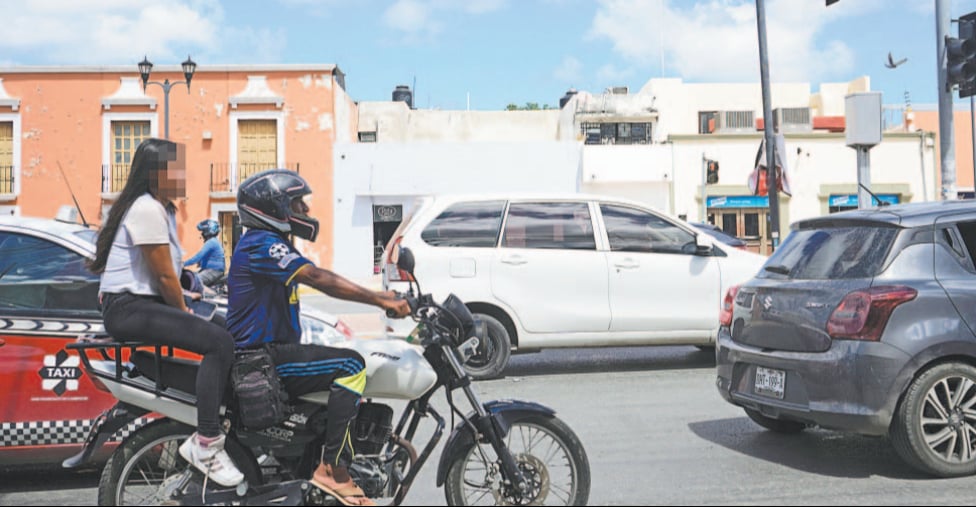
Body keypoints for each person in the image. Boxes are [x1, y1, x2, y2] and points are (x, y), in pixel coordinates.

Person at [226, 169, 410, 506]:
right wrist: (380, 299)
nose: (306, 213)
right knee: (352, 366)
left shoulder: (269, 244)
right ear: (274, 210)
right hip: (261, 361)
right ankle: (333, 469)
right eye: (297, 205)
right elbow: (317, 277)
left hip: (273, 354)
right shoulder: (262, 245)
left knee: (339, 358)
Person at [88, 138, 243, 487]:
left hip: (142, 303)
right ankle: (207, 442)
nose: (183, 176)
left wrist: (191, 292)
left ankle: (221, 413)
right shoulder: (146, 208)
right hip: (129, 308)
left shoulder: (162, 209)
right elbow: (161, 277)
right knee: (218, 342)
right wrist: (186, 311)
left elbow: (171, 272)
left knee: (231, 333)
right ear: (156, 175)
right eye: (176, 170)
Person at [185, 218, 226, 288]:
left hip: (213, 271)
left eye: (203, 231)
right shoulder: (213, 241)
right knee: (191, 276)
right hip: (210, 270)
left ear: (208, 231)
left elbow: (198, 256)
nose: (202, 233)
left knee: (193, 282)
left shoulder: (211, 242)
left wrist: (183, 264)